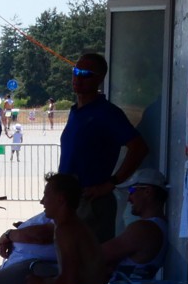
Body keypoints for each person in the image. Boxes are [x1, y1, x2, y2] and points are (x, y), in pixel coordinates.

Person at [58, 52, 149, 242]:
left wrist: (111, 183)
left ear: (100, 79)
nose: (78, 77)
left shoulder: (107, 113)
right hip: (70, 201)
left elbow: (139, 148)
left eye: (86, 74)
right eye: (76, 71)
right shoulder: (76, 111)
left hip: (91, 203)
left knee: (91, 257)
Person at [101, 167, 169, 279]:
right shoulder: (160, 226)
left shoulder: (144, 229)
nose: (129, 198)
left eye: (131, 190)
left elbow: (94, 256)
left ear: (147, 192)